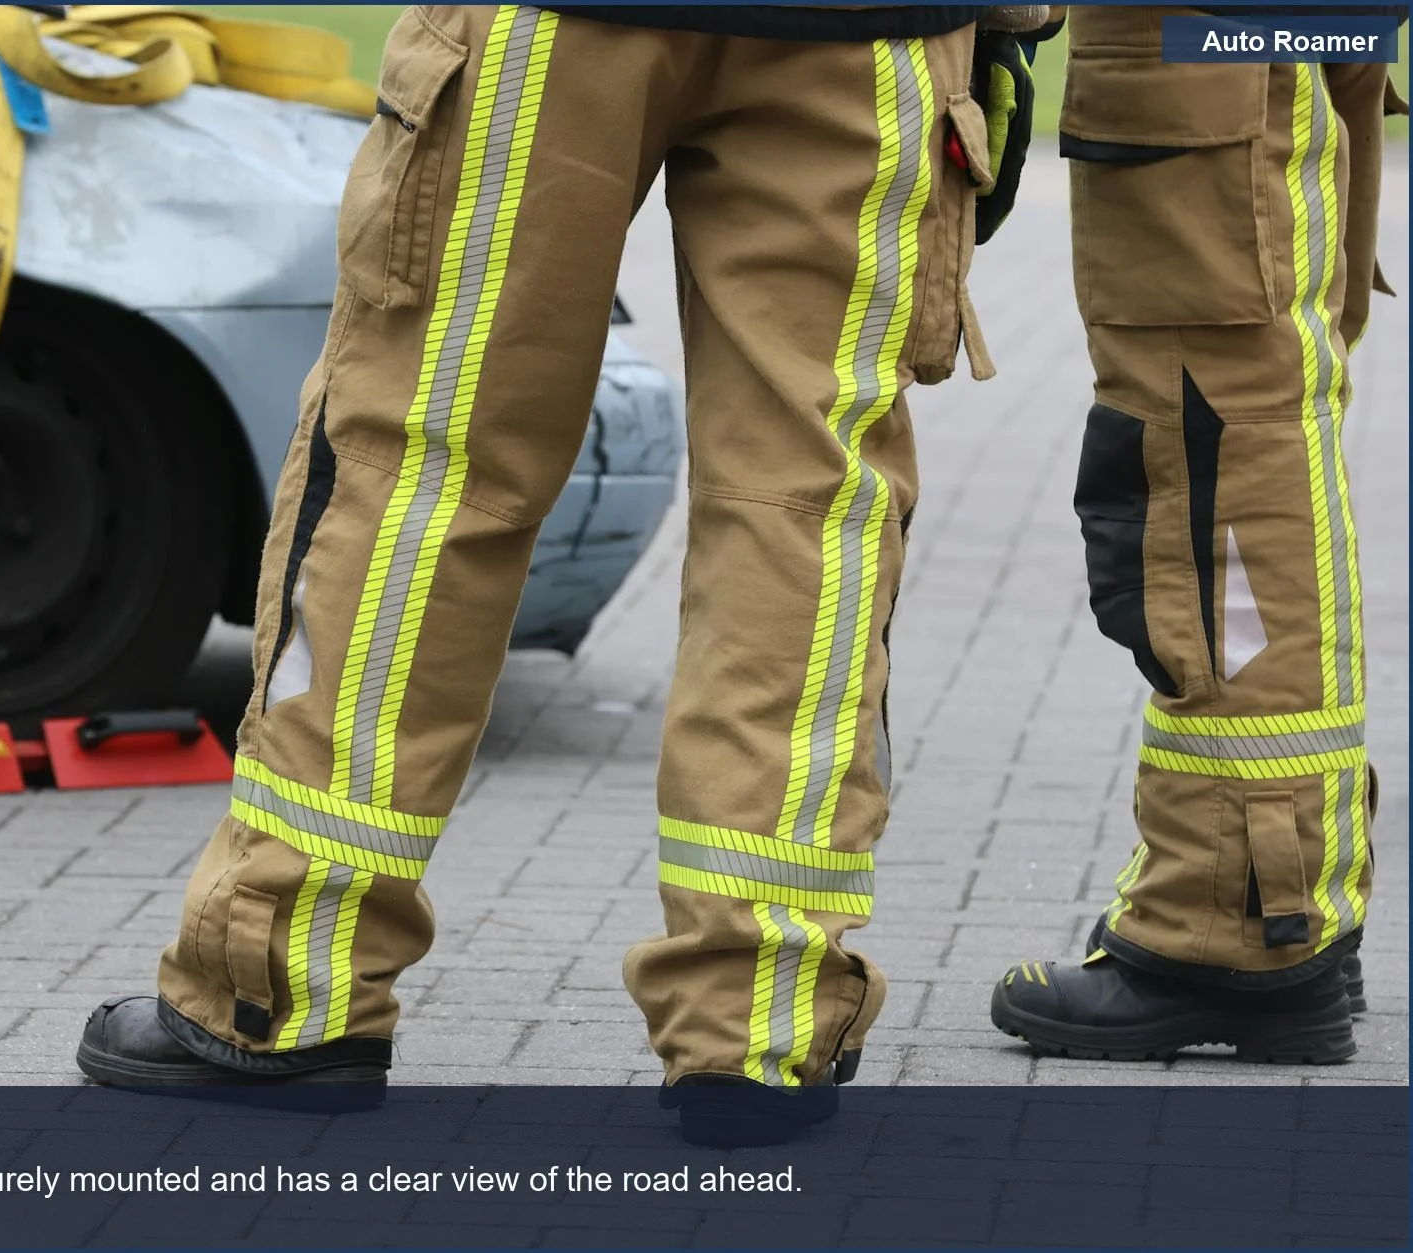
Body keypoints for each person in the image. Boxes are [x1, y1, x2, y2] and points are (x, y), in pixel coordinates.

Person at [77, 2, 1047, 1147]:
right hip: (866, 35)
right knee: (806, 511)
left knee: (424, 470)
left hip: (556, 29)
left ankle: (283, 981)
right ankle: (759, 1021)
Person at [991, 4, 1403, 1063]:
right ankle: (1288, 897)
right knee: (1250, 436)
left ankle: (1232, 927)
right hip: (1237, 55)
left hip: (1198, 57)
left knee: (1211, 461)